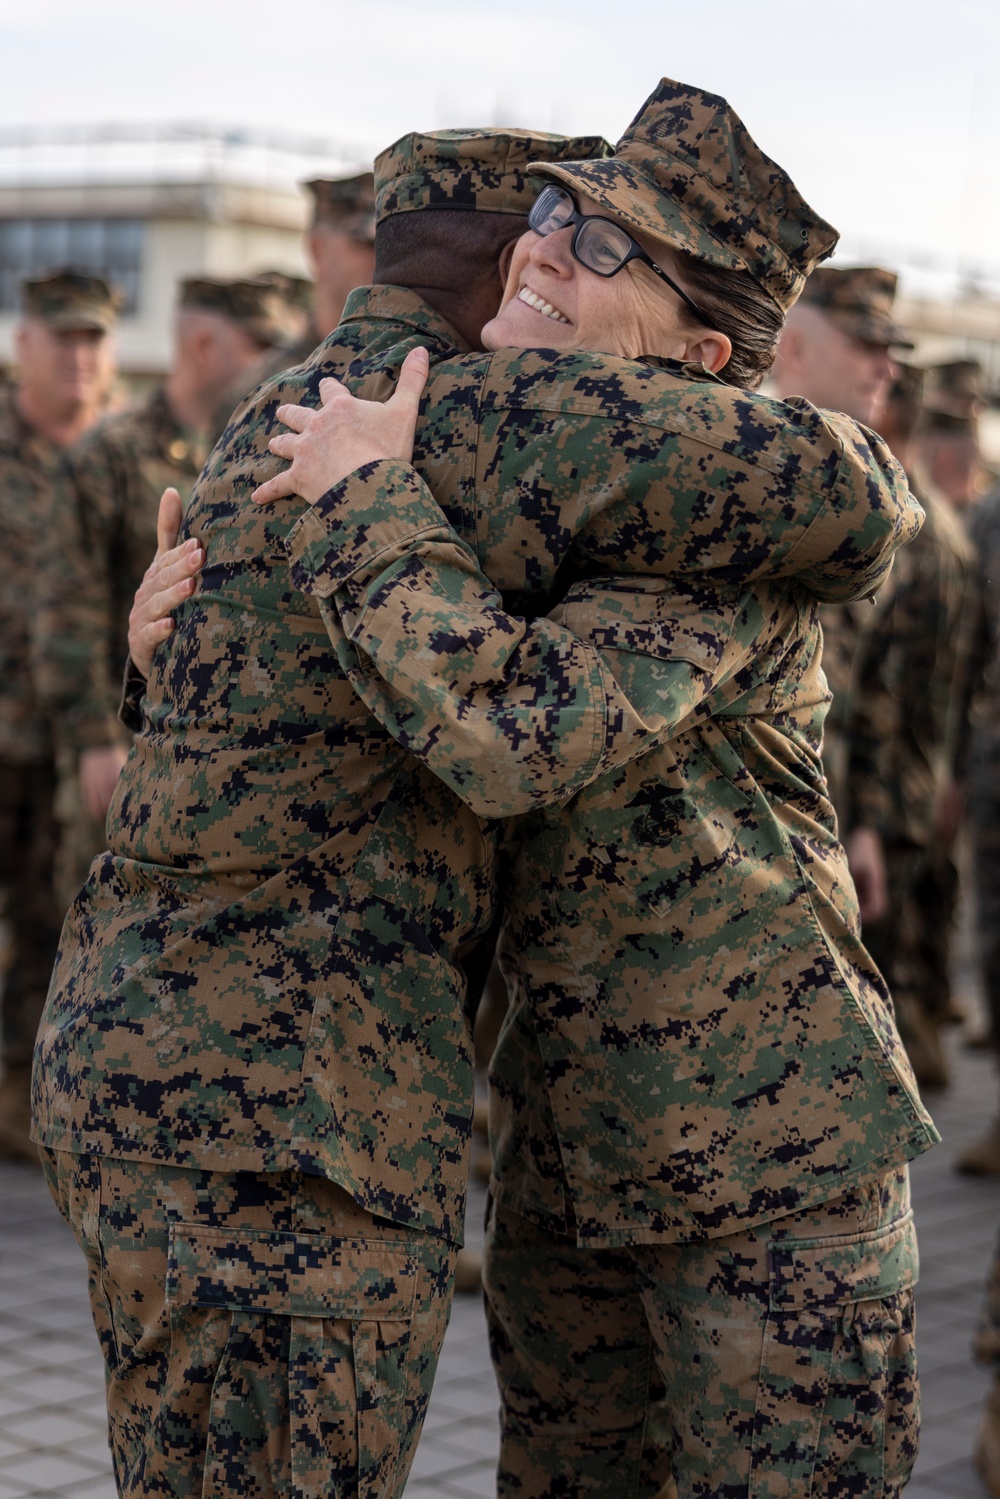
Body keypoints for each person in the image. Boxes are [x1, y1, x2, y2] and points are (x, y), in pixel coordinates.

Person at [140, 82, 927, 1495]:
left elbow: (502, 734)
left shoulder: (719, 531)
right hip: (567, 1151)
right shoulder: (535, 492)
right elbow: (350, 696)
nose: (550, 250)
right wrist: (181, 635)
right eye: (559, 211)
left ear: (701, 350)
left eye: (615, 248)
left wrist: (352, 499)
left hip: (764, 1150)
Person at [32, 274, 295, 904]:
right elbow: (70, 609)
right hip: (118, 742)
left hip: (214, 760)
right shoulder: (112, 453)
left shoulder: (258, 451)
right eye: (257, 346)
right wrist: (96, 740)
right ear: (205, 346)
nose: (275, 363)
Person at [0, 269, 121, 1163]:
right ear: (23, 346)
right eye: (63, 339)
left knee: (55, 920)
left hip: (74, 738)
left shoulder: (129, 456)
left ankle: (23, 1094)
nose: (80, 358)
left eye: (94, 340)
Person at [845, 361, 979, 1089]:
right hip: (919, 776)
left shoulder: (905, 526)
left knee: (873, 983)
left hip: (883, 785)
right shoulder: (945, 524)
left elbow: (883, 683)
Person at [771, 265, 914, 926]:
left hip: (818, 844)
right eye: (866, 346)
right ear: (793, 347)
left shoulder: (875, 495)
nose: (887, 368)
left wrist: (862, 827)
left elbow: (870, 696)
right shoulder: (732, 475)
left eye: (891, 350)